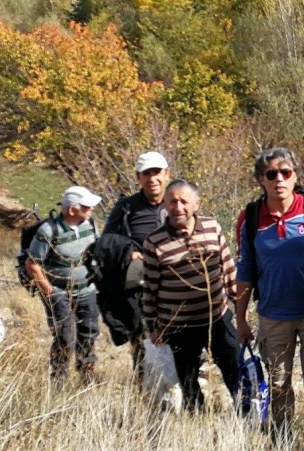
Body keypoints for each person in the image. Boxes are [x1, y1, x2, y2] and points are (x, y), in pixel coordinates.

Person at [233, 148, 304, 440]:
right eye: (272, 174)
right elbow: (245, 269)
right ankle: (282, 440)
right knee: (278, 383)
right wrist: (241, 319)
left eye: (285, 172)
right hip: (273, 315)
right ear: (261, 180)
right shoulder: (251, 218)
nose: (279, 179)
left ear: (295, 176)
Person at [141, 179, 241, 412]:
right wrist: (152, 327)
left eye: (184, 201)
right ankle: (197, 418)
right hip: (178, 325)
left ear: (196, 204)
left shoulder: (212, 228)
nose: (178, 207)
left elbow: (228, 269)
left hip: (217, 318)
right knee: (187, 380)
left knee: (235, 370)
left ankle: (246, 415)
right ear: (165, 204)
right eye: (172, 202)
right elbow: (150, 289)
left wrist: (240, 308)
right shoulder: (154, 242)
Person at [98, 151, 171, 370]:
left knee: (180, 338)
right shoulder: (126, 208)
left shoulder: (178, 201)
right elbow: (106, 241)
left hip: (176, 286)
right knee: (142, 342)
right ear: (138, 177)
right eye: (146, 174)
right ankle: (145, 385)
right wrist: (128, 250)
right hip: (140, 288)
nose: (152, 179)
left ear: (167, 174)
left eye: (157, 172)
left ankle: (185, 385)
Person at [25, 186, 103, 382]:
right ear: (72, 209)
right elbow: (32, 264)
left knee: (89, 333)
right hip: (59, 292)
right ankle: (59, 379)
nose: (91, 209)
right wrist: (49, 291)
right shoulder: (48, 230)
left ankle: (86, 375)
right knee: (65, 337)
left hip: (87, 290)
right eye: (86, 206)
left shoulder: (90, 224)